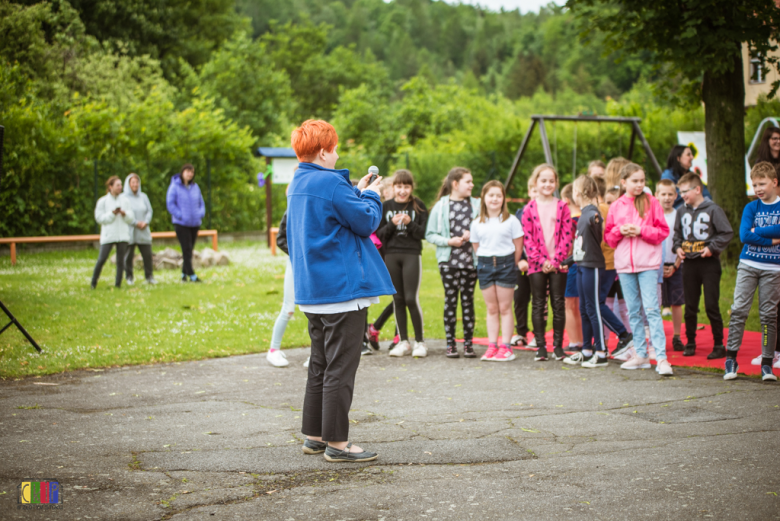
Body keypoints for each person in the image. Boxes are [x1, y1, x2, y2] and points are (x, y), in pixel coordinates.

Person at [287, 119, 394, 463]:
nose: (336, 154)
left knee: (320, 363)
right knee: (341, 367)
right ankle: (337, 443)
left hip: (314, 291)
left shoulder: (298, 182)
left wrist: (357, 192)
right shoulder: (330, 183)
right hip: (342, 290)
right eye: (333, 148)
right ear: (323, 151)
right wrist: (373, 195)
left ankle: (315, 435)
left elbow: (339, 212)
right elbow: (365, 221)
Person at [604, 162, 674, 376]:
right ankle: (641, 355)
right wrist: (620, 230)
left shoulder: (652, 202)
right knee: (633, 310)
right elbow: (608, 237)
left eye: (642, 181)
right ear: (624, 182)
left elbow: (662, 232)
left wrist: (641, 230)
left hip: (648, 264)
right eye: (635, 181)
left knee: (652, 310)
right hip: (625, 266)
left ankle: (661, 357)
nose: (639, 185)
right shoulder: (616, 206)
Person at [564, 176, 634, 367]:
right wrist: (569, 261)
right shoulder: (584, 213)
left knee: (594, 307)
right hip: (581, 265)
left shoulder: (593, 214)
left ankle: (601, 351)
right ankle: (586, 350)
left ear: (578, 193)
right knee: (584, 308)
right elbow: (582, 245)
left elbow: (597, 243)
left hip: (593, 265)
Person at [723, 162, 780, 382]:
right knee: (739, 310)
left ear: (774, 182)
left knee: (768, 315)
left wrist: (760, 231)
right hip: (749, 264)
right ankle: (731, 358)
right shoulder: (751, 208)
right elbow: (745, 236)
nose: (757, 188)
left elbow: (753, 232)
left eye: (762, 183)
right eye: (754, 184)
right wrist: (773, 239)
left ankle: (767, 363)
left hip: (773, 268)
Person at [672, 173, 733, 359]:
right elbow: (677, 235)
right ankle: (690, 342)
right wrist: (677, 248)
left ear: (697, 189)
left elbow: (726, 232)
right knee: (690, 305)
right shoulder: (681, 211)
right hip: (689, 264)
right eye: (680, 192)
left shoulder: (713, 209)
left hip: (709, 264)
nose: (682, 195)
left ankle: (718, 344)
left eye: (685, 191)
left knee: (711, 305)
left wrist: (712, 248)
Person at [426, 167, 480, 358]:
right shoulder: (441, 206)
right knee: (451, 301)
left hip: (470, 262)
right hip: (448, 262)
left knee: (468, 302)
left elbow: (485, 228)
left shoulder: (477, 205)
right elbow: (430, 234)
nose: (472, 185)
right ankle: (450, 344)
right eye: (468, 181)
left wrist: (472, 233)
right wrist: (449, 241)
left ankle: (468, 344)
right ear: (455, 184)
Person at [521, 163, 573, 362]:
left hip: (558, 264)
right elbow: (528, 238)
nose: (547, 184)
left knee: (558, 304)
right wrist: (541, 261)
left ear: (556, 183)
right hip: (536, 265)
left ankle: (558, 346)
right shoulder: (529, 209)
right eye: (543, 180)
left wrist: (555, 260)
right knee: (538, 304)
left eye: (551, 181)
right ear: (536, 182)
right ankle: (541, 346)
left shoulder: (562, 206)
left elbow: (567, 236)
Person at [376, 170, 429, 358]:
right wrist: (391, 224)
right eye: (399, 186)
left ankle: (420, 342)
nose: (402, 190)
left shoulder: (418, 206)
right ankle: (403, 341)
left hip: (411, 254)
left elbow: (424, 233)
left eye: (406, 187)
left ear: (411, 188)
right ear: (393, 187)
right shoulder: (385, 207)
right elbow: (379, 234)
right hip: (391, 255)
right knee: (397, 299)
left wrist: (410, 224)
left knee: (410, 298)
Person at [471, 180, 524, 362]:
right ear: (483, 198)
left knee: (504, 308)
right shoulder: (477, 222)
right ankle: (492, 345)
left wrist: (510, 264)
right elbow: (477, 247)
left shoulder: (511, 221)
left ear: (503, 199)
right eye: (491, 195)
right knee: (492, 308)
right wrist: (487, 261)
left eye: (498, 195)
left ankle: (506, 347)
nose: (494, 199)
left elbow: (518, 247)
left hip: (506, 265)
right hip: (484, 265)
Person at [367, 176, 399, 351]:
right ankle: (377, 328)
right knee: (399, 297)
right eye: (395, 188)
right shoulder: (380, 209)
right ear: (386, 191)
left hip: (400, 256)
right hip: (385, 256)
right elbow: (378, 234)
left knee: (403, 298)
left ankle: (385, 330)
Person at [266, 209, 298, 368]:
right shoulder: (289, 212)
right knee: (289, 308)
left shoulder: (314, 207)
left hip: (313, 264)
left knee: (315, 310)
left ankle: (317, 354)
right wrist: (297, 253)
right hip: (296, 263)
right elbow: (280, 239)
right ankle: (273, 349)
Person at [656, 179, 684, 352]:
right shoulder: (653, 215)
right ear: (656, 195)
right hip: (656, 265)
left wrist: (675, 265)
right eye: (663, 194)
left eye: (670, 194)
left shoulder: (679, 215)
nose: (666, 197)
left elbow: (682, 241)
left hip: (675, 264)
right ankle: (657, 337)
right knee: (656, 302)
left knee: (676, 302)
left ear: (676, 195)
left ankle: (676, 336)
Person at [91, 176, 135, 289]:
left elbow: (131, 218)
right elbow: (99, 218)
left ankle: (118, 284)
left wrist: (125, 214)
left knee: (121, 262)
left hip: (123, 236)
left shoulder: (125, 201)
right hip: (108, 236)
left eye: (121, 185)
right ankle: (93, 283)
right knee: (102, 259)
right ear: (110, 187)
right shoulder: (103, 201)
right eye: (117, 185)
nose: (120, 187)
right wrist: (112, 214)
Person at [166, 164, 205, 283]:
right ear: (182, 172)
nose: (190, 174)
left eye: (192, 172)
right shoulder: (175, 186)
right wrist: (180, 215)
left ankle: (184, 274)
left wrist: (200, 214)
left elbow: (201, 202)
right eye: (188, 171)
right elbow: (170, 203)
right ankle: (192, 275)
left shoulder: (195, 187)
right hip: (181, 224)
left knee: (189, 250)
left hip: (194, 223)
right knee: (186, 249)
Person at [510, 183, 536, 348]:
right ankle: (521, 332)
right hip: (521, 264)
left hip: (539, 265)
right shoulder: (520, 214)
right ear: (529, 191)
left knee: (538, 301)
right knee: (520, 299)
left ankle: (537, 334)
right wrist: (519, 260)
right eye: (533, 189)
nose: (536, 193)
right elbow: (515, 239)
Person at [122, 173, 156, 285]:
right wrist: (135, 223)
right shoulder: (124, 198)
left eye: (137, 182)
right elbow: (124, 214)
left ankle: (149, 276)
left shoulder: (144, 197)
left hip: (143, 230)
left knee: (147, 254)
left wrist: (146, 222)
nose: (135, 184)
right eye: (133, 182)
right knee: (129, 255)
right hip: (130, 230)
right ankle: (129, 277)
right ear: (128, 184)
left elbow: (149, 211)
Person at [561, 183, 583, 351]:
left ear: (566, 200)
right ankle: (580, 339)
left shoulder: (570, 221)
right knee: (577, 305)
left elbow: (567, 246)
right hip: (582, 264)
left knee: (568, 305)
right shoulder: (584, 217)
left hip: (571, 265)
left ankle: (574, 341)